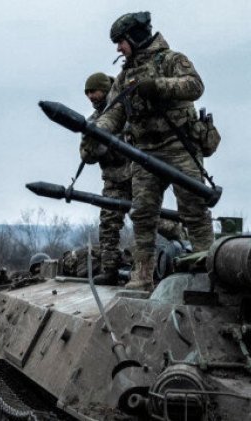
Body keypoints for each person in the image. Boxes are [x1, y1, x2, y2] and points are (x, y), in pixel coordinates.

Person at [91, 11, 214, 291]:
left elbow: (195, 85)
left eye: (121, 42)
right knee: (143, 214)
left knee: (194, 210)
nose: (118, 48)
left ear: (135, 37)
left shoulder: (171, 60)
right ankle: (142, 275)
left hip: (179, 146)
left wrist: (156, 86)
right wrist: (97, 133)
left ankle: (209, 273)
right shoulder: (125, 77)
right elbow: (115, 112)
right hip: (145, 152)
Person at [80, 72, 132, 285]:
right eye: (88, 93)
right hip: (113, 178)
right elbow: (85, 154)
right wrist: (97, 147)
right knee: (108, 223)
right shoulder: (93, 121)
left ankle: (185, 246)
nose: (91, 96)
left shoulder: (124, 108)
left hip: (136, 173)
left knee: (153, 218)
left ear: (106, 89)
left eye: (94, 91)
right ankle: (109, 269)